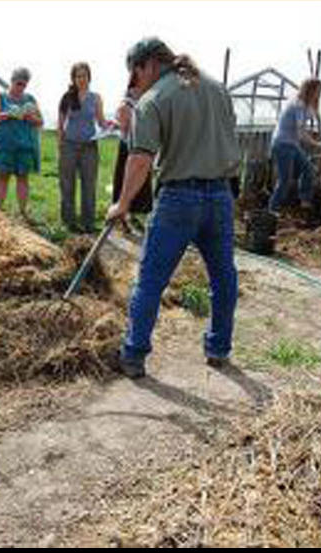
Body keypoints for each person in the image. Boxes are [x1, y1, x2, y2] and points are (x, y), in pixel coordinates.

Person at [106, 38, 242, 378]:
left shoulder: (154, 99)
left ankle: (134, 354)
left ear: (148, 65)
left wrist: (122, 204)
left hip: (179, 198)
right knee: (224, 278)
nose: (137, 84)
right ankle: (219, 349)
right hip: (221, 196)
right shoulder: (217, 88)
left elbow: (139, 160)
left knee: (151, 280)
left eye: (136, 76)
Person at [57, 62, 115, 233]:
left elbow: (101, 121)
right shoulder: (67, 97)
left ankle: (88, 223)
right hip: (69, 145)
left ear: (89, 77)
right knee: (67, 184)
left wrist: (112, 125)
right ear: (73, 79)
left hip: (89, 146)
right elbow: (60, 124)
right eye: (78, 76)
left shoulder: (96, 98)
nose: (81, 79)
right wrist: (60, 146)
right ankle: (69, 222)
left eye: (84, 75)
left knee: (89, 184)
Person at [267, 78, 321, 225]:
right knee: (284, 180)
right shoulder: (298, 105)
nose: (318, 95)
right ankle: (271, 211)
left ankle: (305, 203)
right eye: (318, 92)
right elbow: (301, 133)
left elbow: (316, 114)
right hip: (282, 144)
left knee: (308, 169)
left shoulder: (306, 106)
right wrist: (317, 144)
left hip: (291, 144)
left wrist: (319, 126)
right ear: (310, 90)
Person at [0, 67, 42, 218]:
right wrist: (7, 114)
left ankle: (23, 211)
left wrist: (30, 117)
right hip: (5, 145)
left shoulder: (30, 100)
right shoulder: (0, 97)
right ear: (11, 81)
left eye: (24, 84)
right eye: (18, 84)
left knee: (23, 177)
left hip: (24, 145)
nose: (20, 87)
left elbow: (40, 121)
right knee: (3, 176)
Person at [112, 79, 153, 221]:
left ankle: (134, 212)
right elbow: (123, 126)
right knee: (124, 180)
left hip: (140, 147)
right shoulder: (126, 105)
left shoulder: (147, 102)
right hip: (128, 146)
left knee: (139, 179)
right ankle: (124, 214)